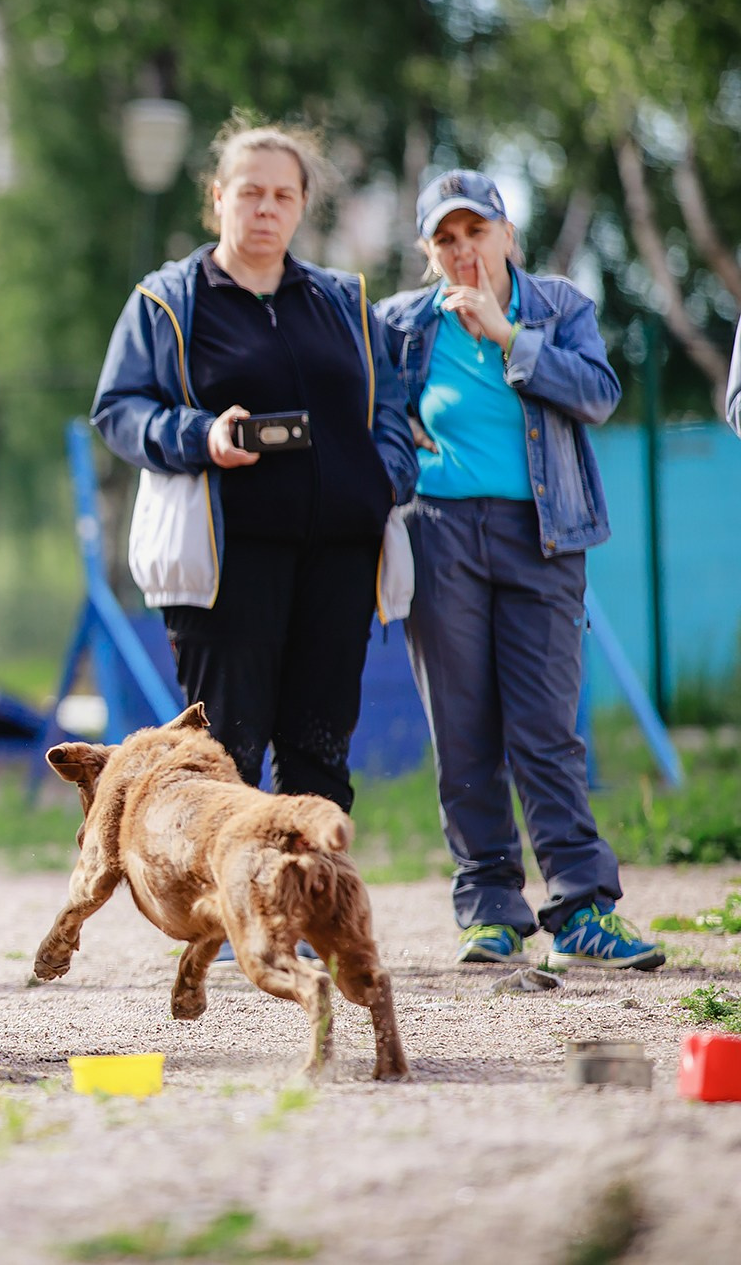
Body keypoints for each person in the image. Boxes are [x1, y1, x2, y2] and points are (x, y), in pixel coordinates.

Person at [93, 119, 419, 820]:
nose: (265, 208)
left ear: (302, 205)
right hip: (224, 567)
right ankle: (237, 923)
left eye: (281, 195)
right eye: (249, 193)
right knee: (225, 756)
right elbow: (117, 409)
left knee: (319, 752)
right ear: (218, 197)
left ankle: (305, 913)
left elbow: (392, 407)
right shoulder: (168, 301)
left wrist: (386, 478)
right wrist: (199, 434)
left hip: (339, 561)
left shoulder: (345, 303)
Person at [377, 170, 662, 970]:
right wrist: (400, 458)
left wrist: (508, 336)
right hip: (440, 536)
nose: (463, 250)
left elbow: (600, 394)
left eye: (476, 232)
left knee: (544, 728)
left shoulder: (560, 306)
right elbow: (375, 416)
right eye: (446, 238)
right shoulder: (401, 324)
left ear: (507, 234)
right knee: (463, 729)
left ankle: (581, 907)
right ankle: (490, 908)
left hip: (544, 534)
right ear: (428, 252)